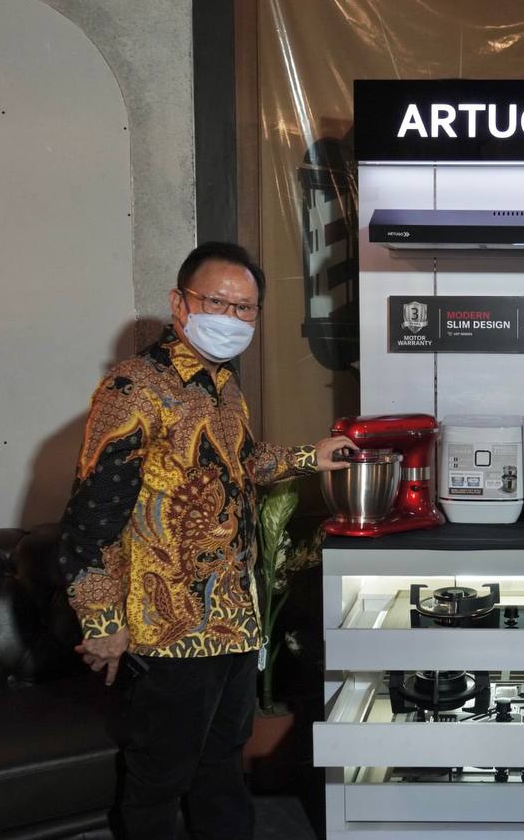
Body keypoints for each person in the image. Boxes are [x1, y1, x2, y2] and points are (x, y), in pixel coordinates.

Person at [58, 242, 355, 839]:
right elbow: (90, 518)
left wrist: (311, 455)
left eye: (245, 308)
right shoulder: (132, 388)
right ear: (180, 303)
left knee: (222, 764)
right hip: (169, 630)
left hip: (235, 620)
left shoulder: (224, 384)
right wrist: (102, 622)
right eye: (217, 302)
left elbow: (242, 463)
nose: (232, 318)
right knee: (159, 778)